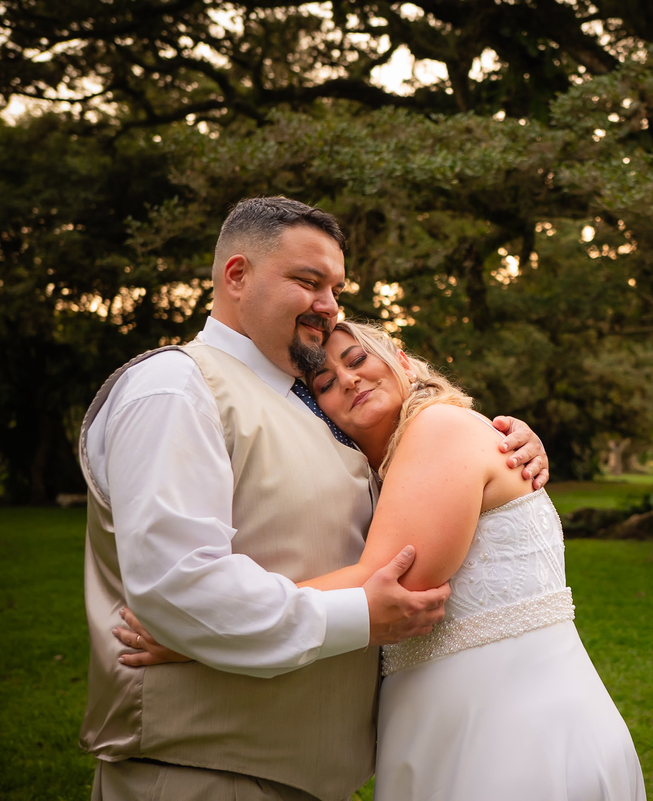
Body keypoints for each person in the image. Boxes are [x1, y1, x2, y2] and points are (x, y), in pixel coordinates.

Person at [79, 196, 548, 801]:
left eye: (336, 288)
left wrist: (503, 450)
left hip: (310, 775)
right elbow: (178, 586)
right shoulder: (175, 387)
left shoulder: (315, 405)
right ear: (237, 275)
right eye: (308, 281)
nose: (328, 305)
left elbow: (425, 494)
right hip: (205, 771)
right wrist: (359, 615)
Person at [122, 319, 646, 801]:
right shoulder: (388, 468)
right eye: (325, 383)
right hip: (444, 721)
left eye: (357, 360)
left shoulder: (439, 429)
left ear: (401, 360)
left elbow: (388, 586)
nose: (348, 380)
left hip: (511, 732)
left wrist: (206, 628)